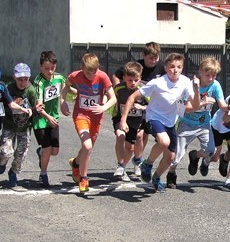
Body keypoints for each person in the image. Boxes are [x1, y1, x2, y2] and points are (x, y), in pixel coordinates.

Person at [120, 52, 200, 193]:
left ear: (182, 68)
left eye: (179, 67)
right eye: (172, 67)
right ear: (166, 68)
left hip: (170, 121)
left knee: (170, 157)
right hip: (154, 117)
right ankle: (147, 164)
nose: (175, 70)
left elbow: (195, 106)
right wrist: (123, 119)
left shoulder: (185, 82)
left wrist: (197, 89)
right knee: (164, 141)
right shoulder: (157, 83)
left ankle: (156, 177)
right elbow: (132, 97)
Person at [166, 57, 227, 189]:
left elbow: (222, 105)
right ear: (200, 72)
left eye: (214, 76)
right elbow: (183, 109)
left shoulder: (215, 85)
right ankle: (171, 173)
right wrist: (201, 104)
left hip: (204, 124)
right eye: (208, 75)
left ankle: (196, 156)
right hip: (187, 124)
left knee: (211, 150)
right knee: (177, 154)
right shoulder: (189, 85)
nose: (211, 78)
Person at [61, 53, 117, 192]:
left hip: (96, 118)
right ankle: (84, 178)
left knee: (87, 148)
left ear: (98, 68)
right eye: (87, 73)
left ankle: (76, 163)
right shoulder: (76, 75)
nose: (91, 76)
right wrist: (62, 101)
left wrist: (103, 108)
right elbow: (66, 86)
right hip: (81, 115)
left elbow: (113, 98)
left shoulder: (103, 77)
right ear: (82, 68)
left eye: (93, 72)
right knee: (87, 146)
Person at [0, 63, 37, 187]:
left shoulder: (31, 91)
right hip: (9, 125)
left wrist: (33, 111)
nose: (23, 82)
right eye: (20, 79)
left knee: (21, 153)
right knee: (6, 151)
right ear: (14, 77)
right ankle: (2, 162)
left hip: (24, 127)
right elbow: (1, 104)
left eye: (25, 79)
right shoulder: (9, 88)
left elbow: (35, 108)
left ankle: (13, 172)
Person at [33, 50, 67, 188]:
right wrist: (48, 117)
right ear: (41, 67)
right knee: (47, 149)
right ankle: (43, 174)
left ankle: (40, 152)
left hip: (54, 118)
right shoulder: (39, 82)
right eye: (46, 68)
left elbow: (66, 89)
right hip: (41, 120)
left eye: (52, 68)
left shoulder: (59, 78)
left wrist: (80, 94)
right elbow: (39, 106)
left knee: (55, 151)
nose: (50, 71)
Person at [111, 61, 146, 181]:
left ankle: (135, 161)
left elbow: (153, 106)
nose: (133, 83)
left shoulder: (144, 90)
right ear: (124, 77)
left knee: (131, 147)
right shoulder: (118, 88)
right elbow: (110, 97)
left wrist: (142, 107)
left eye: (136, 80)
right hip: (120, 117)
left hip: (137, 120)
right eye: (130, 80)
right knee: (120, 136)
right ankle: (120, 165)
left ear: (140, 78)